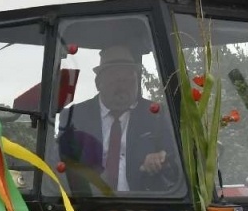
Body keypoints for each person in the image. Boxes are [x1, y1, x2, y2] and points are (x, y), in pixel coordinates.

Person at [57, 45, 179, 195]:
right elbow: (59, 161)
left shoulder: (156, 115)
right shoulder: (75, 116)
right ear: (98, 83)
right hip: (89, 205)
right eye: (117, 79)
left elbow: (175, 157)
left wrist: (161, 157)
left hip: (144, 205)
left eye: (129, 79)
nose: (124, 86)